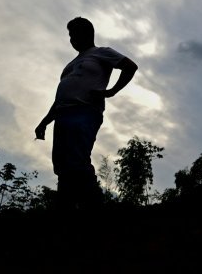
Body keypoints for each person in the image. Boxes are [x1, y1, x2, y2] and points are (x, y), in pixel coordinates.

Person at [35, 16, 138, 212]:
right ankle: (67, 206)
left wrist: (111, 91)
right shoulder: (70, 64)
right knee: (62, 165)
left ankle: (93, 205)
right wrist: (45, 121)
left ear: (87, 33)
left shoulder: (101, 53)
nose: (72, 39)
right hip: (62, 115)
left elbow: (130, 66)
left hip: (84, 111)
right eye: (70, 35)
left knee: (77, 159)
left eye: (75, 34)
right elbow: (61, 97)